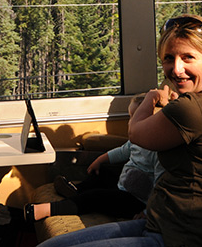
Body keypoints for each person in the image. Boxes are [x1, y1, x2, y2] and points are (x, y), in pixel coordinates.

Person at [39, 14, 202, 247]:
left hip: (192, 238)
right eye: (169, 58)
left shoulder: (195, 108)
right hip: (164, 224)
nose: (177, 69)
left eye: (188, 57)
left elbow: (136, 133)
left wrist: (150, 98)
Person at [24, 94, 164, 222]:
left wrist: (147, 211)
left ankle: (47, 209)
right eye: (130, 117)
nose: (130, 122)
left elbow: (161, 185)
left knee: (96, 197)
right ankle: (75, 190)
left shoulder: (158, 151)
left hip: (137, 201)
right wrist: (100, 160)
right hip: (124, 185)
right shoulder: (136, 140)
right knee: (102, 174)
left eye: (134, 117)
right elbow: (122, 152)